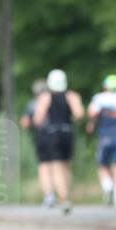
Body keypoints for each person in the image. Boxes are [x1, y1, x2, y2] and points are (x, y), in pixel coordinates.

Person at [33, 69, 85, 215]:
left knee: (56, 167)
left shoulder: (46, 97)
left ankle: (62, 198)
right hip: (68, 132)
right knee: (66, 166)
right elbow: (79, 114)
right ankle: (66, 195)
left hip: (52, 133)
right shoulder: (72, 96)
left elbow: (38, 119)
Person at [87, 74, 116, 211]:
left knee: (103, 166)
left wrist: (94, 121)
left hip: (104, 136)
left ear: (105, 86)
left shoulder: (99, 99)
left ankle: (108, 187)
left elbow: (92, 113)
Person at [20, 80, 55, 207]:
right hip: (57, 134)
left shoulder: (32, 104)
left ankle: (49, 196)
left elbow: (25, 122)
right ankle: (62, 193)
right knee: (57, 166)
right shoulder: (55, 101)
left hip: (42, 136)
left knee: (44, 167)